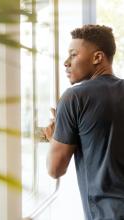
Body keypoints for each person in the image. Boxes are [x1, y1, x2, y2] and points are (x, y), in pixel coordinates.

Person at [43, 24, 124, 220]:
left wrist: (55, 138)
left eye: (73, 55)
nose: (66, 63)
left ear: (98, 57)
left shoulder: (74, 97)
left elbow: (55, 169)